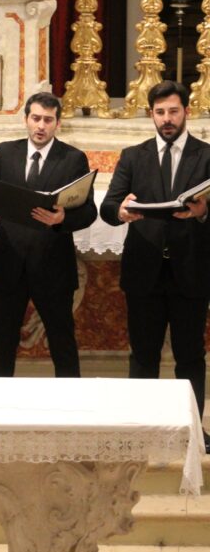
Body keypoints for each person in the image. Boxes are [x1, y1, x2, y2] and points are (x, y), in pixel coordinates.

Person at [100, 81, 210, 451]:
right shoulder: (134, 156)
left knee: (190, 356)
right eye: (160, 112)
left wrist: (203, 211)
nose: (167, 119)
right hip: (144, 271)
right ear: (151, 114)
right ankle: (140, 429)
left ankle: (193, 431)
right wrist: (120, 210)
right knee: (143, 355)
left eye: (173, 111)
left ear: (186, 112)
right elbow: (109, 206)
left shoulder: (206, 155)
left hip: (191, 270)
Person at [0, 92, 97, 378]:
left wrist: (64, 217)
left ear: (58, 123)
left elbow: (89, 211)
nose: (41, 126)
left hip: (52, 265)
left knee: (62, 341)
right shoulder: (6, 152)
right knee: (3, 341)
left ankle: (71, 406)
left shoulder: (73, 159)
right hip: (9, 262)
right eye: (36, 118)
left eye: (48, 120)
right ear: (26, 119)